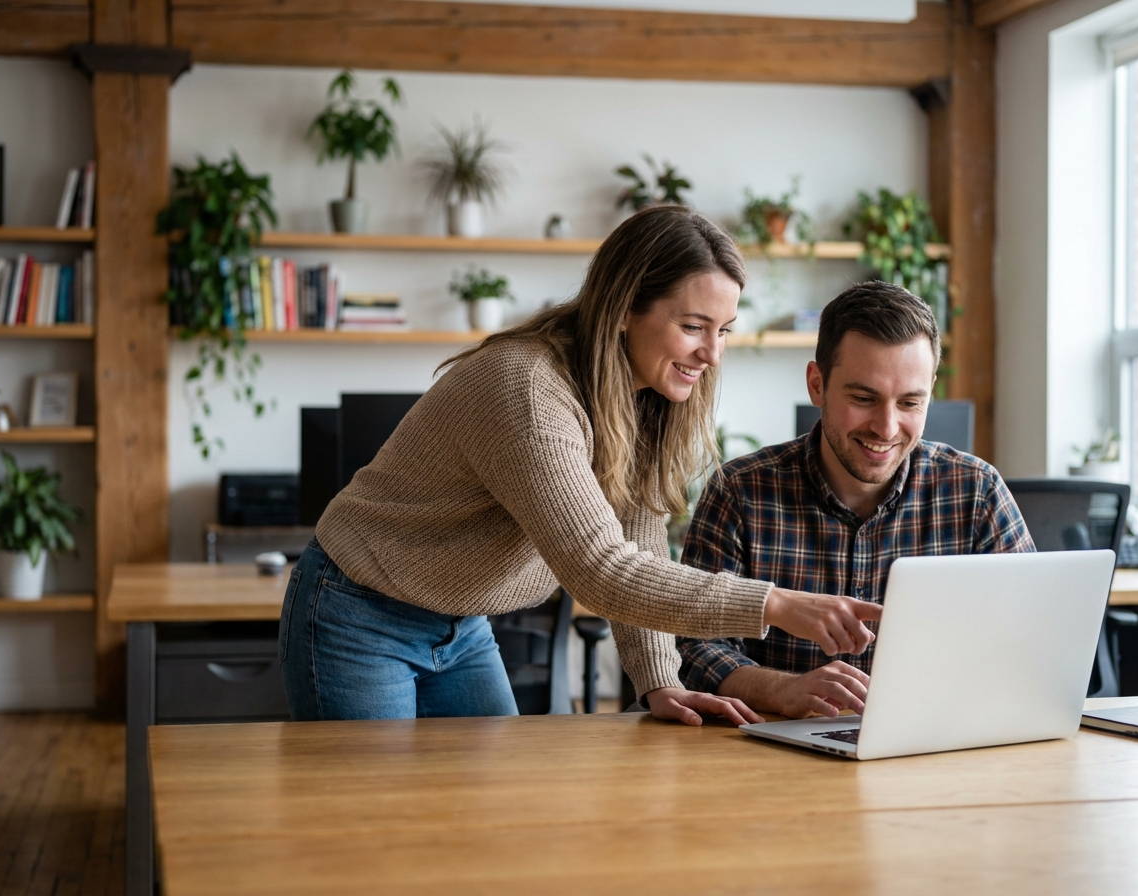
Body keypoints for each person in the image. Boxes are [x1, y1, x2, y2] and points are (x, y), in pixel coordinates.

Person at [279, 205, 882, 726]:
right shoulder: (527, 389)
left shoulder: (644, 394)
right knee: (369, 828)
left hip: (460, 626)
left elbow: (639, 543)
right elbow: (601, 567)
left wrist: (658, 681)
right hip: (359, 613)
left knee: (489, 820)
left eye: (723, 330)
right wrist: (774, 604)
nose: (712, 353)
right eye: (693, 327)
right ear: (624, 308)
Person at [677, 281, 1035, 719]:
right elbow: (694, 644)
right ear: (817, 384)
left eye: (909, 402)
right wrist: (782, 690)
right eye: (864, 398)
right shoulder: (741, 492)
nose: (886, 428)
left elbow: (1028, 637)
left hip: (934, 750)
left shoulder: (975, 492)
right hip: (776, 762)